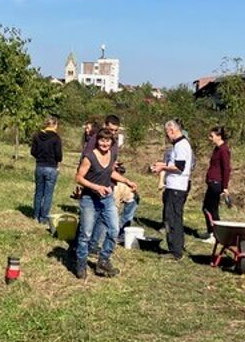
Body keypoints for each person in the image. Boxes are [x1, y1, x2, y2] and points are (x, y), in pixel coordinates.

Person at [74, 128, 136, 279]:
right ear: (97, 141)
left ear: (111, 142)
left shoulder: (112, 154)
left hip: (107, 198)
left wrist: (126, 181)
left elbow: (110, 172)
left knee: (114, 230)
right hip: (89, 198)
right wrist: (96, 187)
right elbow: (79, 178)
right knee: (86, 234)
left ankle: (103, 261)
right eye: (102, 140)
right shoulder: (89, 157)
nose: (104, 143)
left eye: (107, 141)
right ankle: (81, 263)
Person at [151, 120, 193, 260]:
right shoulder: (180, 145)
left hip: (176, 187)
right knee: (175, 217)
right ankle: (177, 247)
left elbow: (179, 167)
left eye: (166, 133)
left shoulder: (181, 145)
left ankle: (175, 251)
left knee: (172, 219)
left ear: (171, 130)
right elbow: (175, 164)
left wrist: (163, 168)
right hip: (175, 186)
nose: (167, 136)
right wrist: (162, 164)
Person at [30, 116, 63, 225]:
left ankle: (35, 215)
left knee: (39, 192)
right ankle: (43, 218)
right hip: (51, 167)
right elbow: (59, 155)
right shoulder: (56, 138)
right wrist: (57, 161)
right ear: (55, 125)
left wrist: (40, 157)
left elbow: (33, 151)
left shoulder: (37, 136)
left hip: (39, 166)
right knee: (48, 194)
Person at [202, 126, 231, 243]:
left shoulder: (224, 150)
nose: (210, 138)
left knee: (212, 209)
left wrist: (225, 187)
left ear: (219, 136)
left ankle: (216, 235)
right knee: (205, 208)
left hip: (217, 183)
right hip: (211, 182)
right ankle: (210, 231)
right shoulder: (217, 149)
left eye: (212, 136)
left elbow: (227, 169)